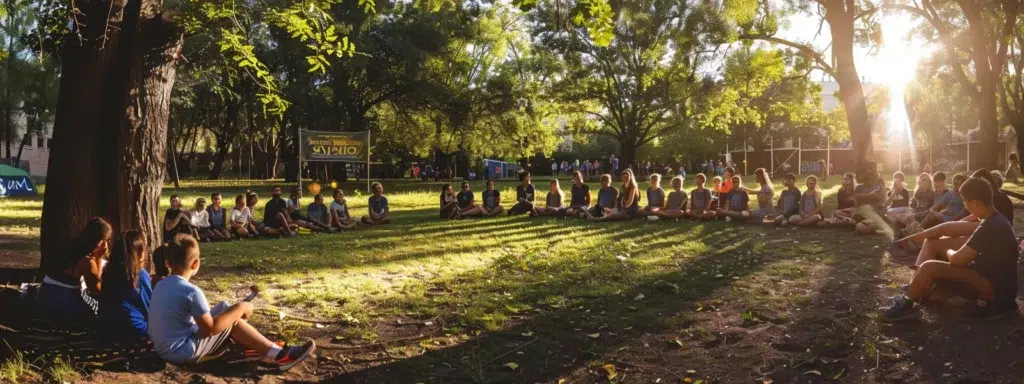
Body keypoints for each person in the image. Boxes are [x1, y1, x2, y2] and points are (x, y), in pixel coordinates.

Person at [148, 234, 316, 368]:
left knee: (224, 307)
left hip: (165, 347)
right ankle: (280, 356)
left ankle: (255, 347)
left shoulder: (160, 284)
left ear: (168, 263)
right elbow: (209, 329)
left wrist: (232, 310)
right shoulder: (191, 292)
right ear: (196, 264)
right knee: (233, 321)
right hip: (182, 351)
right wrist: (240, 307)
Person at [882, 177, 1019, 321]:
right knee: (938, 277)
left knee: (929, 267)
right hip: (1002, 286)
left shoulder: (989, 226)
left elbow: (958, 260)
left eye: (966, 203)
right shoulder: (997, 219)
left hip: (996, 291)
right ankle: (920, 292)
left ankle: (908, 304)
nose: (966, 208)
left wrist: (948, 252)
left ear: (976, 204)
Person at [38, 217, 112, 320]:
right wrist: (99, 258)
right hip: (62, 300)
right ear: (99, 242)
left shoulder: (70, 246)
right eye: (105, 240)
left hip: (45, 293)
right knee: (96, 314)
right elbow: (95, 289)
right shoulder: (87, 261)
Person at [99, 230, 151, 343]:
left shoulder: (108, 271)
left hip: (108, 328)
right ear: (140, 253)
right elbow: (150, 309)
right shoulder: (140, 275)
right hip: (134, 330)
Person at [852, 165, 890, 235]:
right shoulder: (858, 188)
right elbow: (856, 203)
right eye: (866, 175)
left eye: (871, 175)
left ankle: (875, 225)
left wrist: (862, 197)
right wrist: (871, 196)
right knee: (839, 213)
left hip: (874, 214)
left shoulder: (879, 187)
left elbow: (881, 202)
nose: (868, 177)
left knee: (860, 227)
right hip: (861, 212)